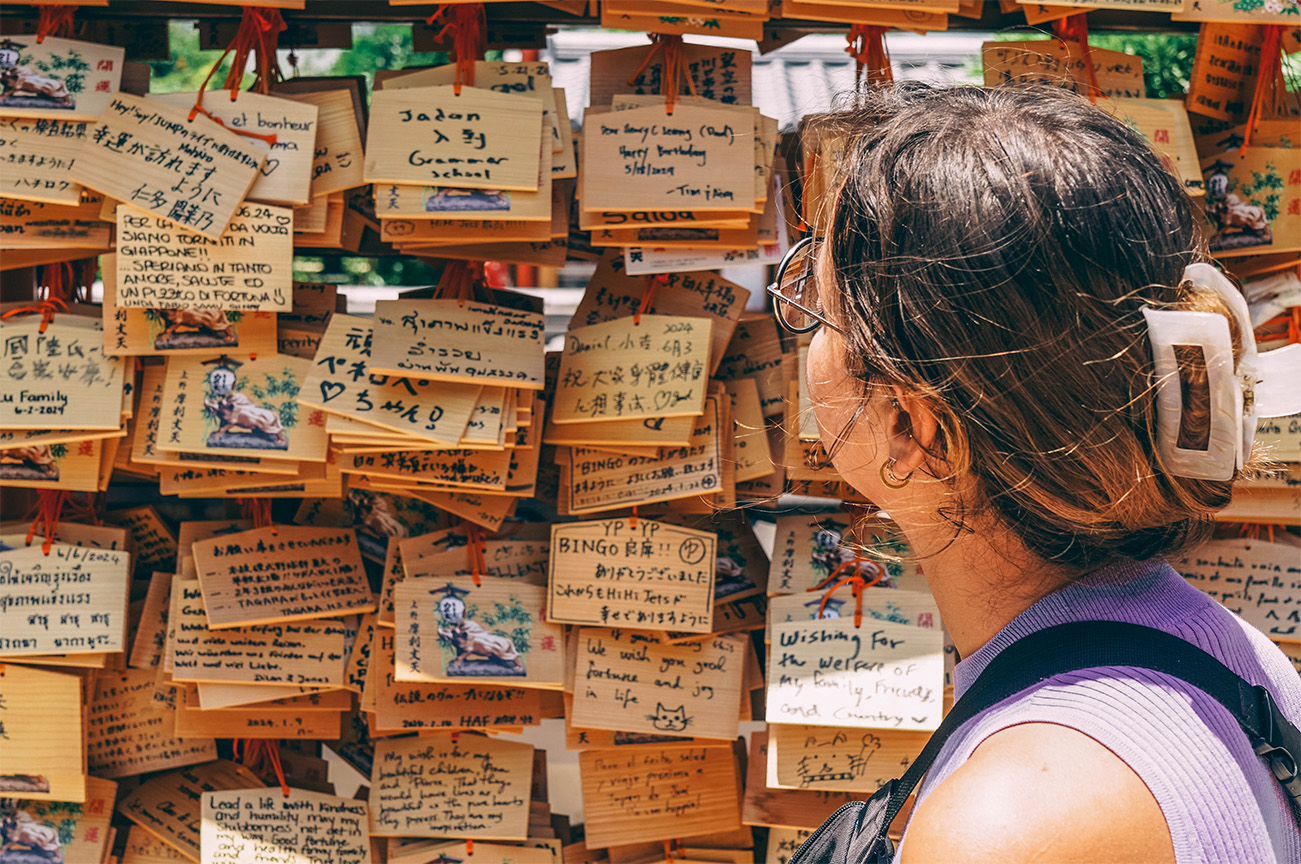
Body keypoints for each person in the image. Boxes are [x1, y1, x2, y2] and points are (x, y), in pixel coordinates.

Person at [769, 83, 1301, 863]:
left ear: (913, 427)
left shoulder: (1010, 827)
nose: (802, 336)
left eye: (816, 309)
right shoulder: (1222, 648)